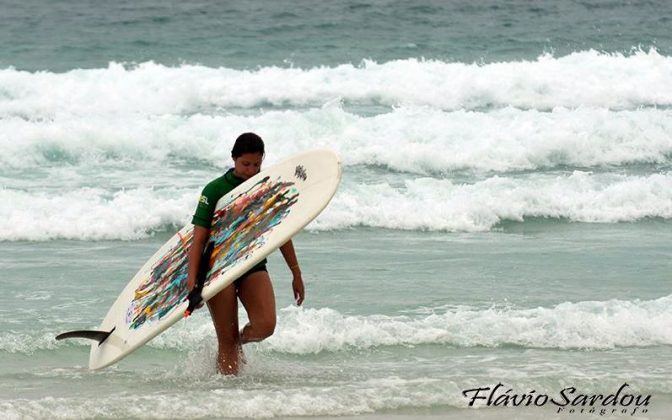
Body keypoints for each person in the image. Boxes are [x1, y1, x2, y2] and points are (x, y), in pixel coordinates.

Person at [186, 132, 305, 375]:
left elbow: (282, 232)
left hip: (252, 265)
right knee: (226, 341)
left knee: (265, 326)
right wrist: (192, 285)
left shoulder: (266, 187)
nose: (251, 170)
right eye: (245, 164)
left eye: (257, 164)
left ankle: (237, 343)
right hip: (218, 270)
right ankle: (230, 398)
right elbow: (198, 240)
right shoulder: (215, 190)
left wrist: (296, 273)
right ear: (233, 159)